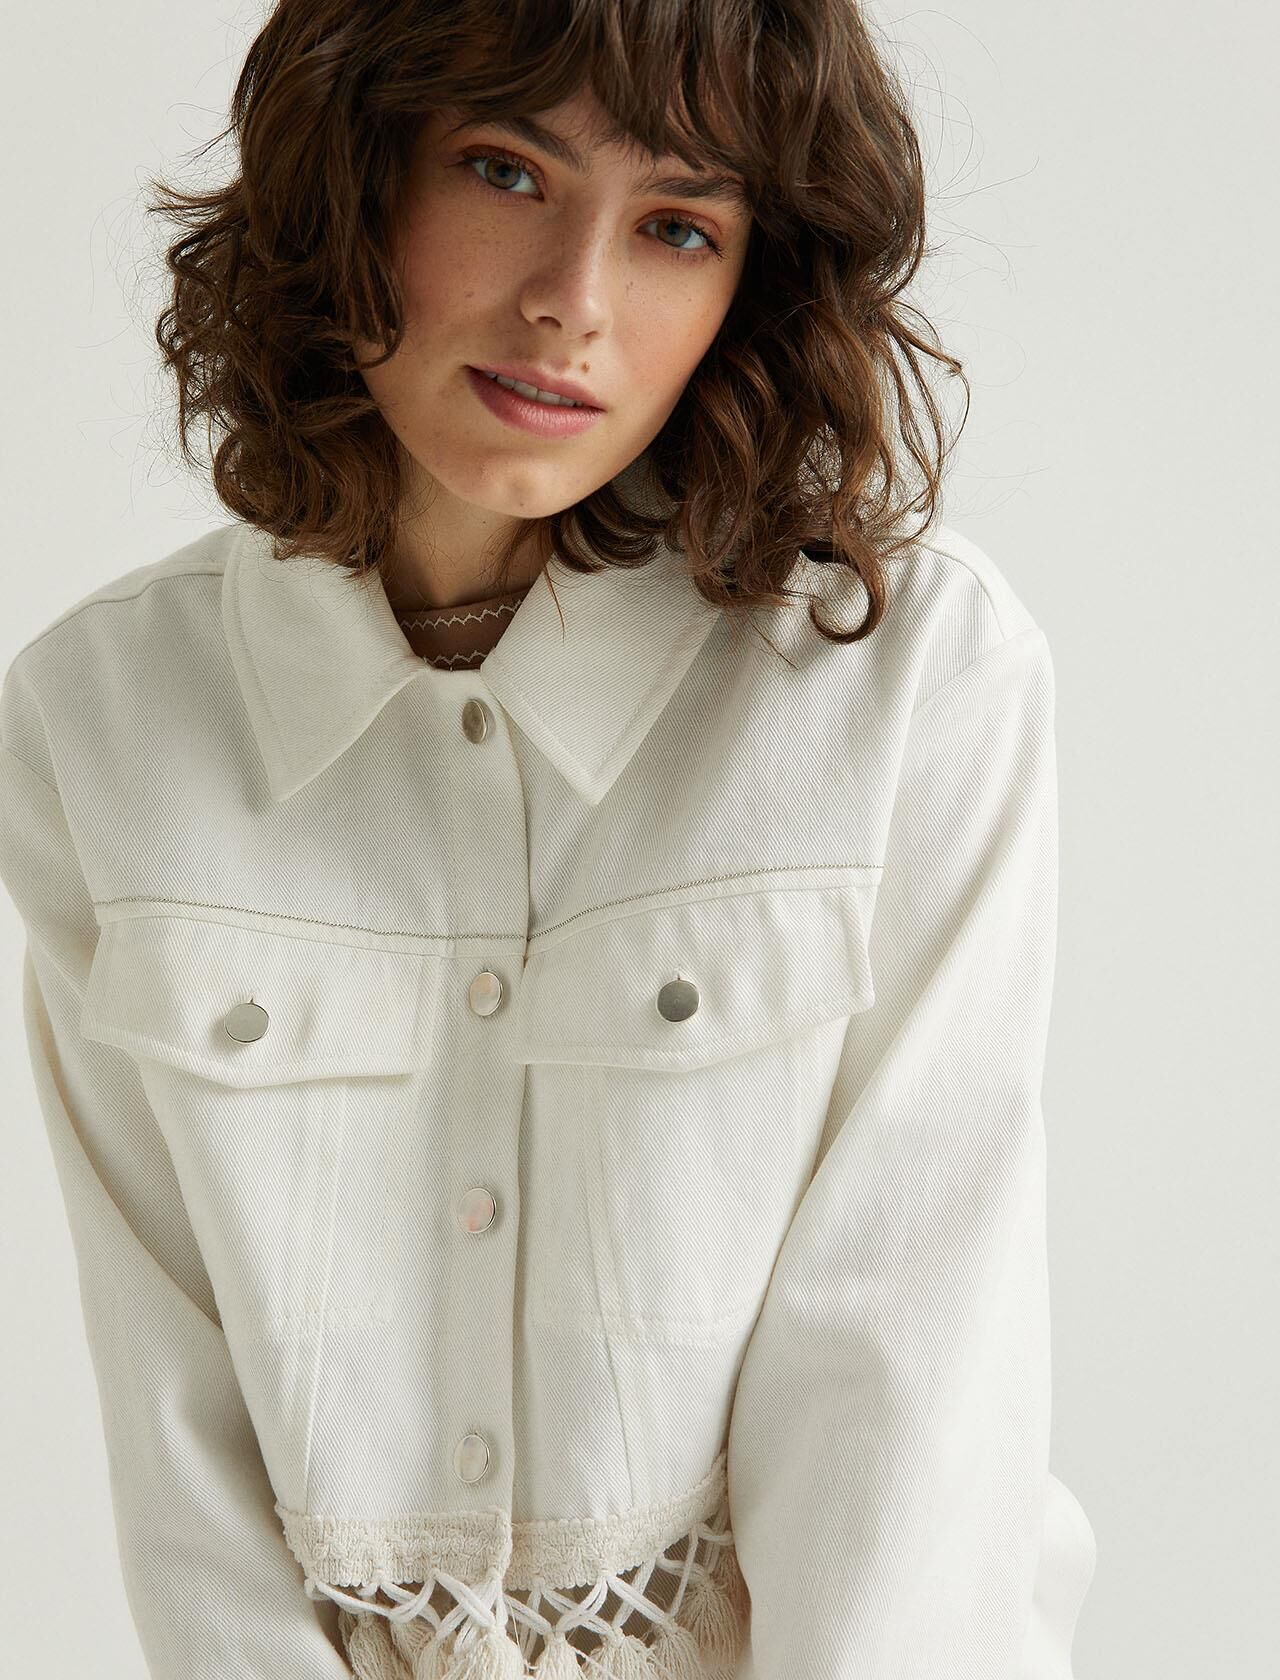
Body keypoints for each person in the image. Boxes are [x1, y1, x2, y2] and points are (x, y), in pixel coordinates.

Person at [0, 2, 1098, 1677]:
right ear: (355, 175)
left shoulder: (902, 681)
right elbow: (181, 1449)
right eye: (506, 172)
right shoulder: (102, 719)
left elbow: (903, 1390)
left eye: (678, 228)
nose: (573, 301)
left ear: (751, 288)